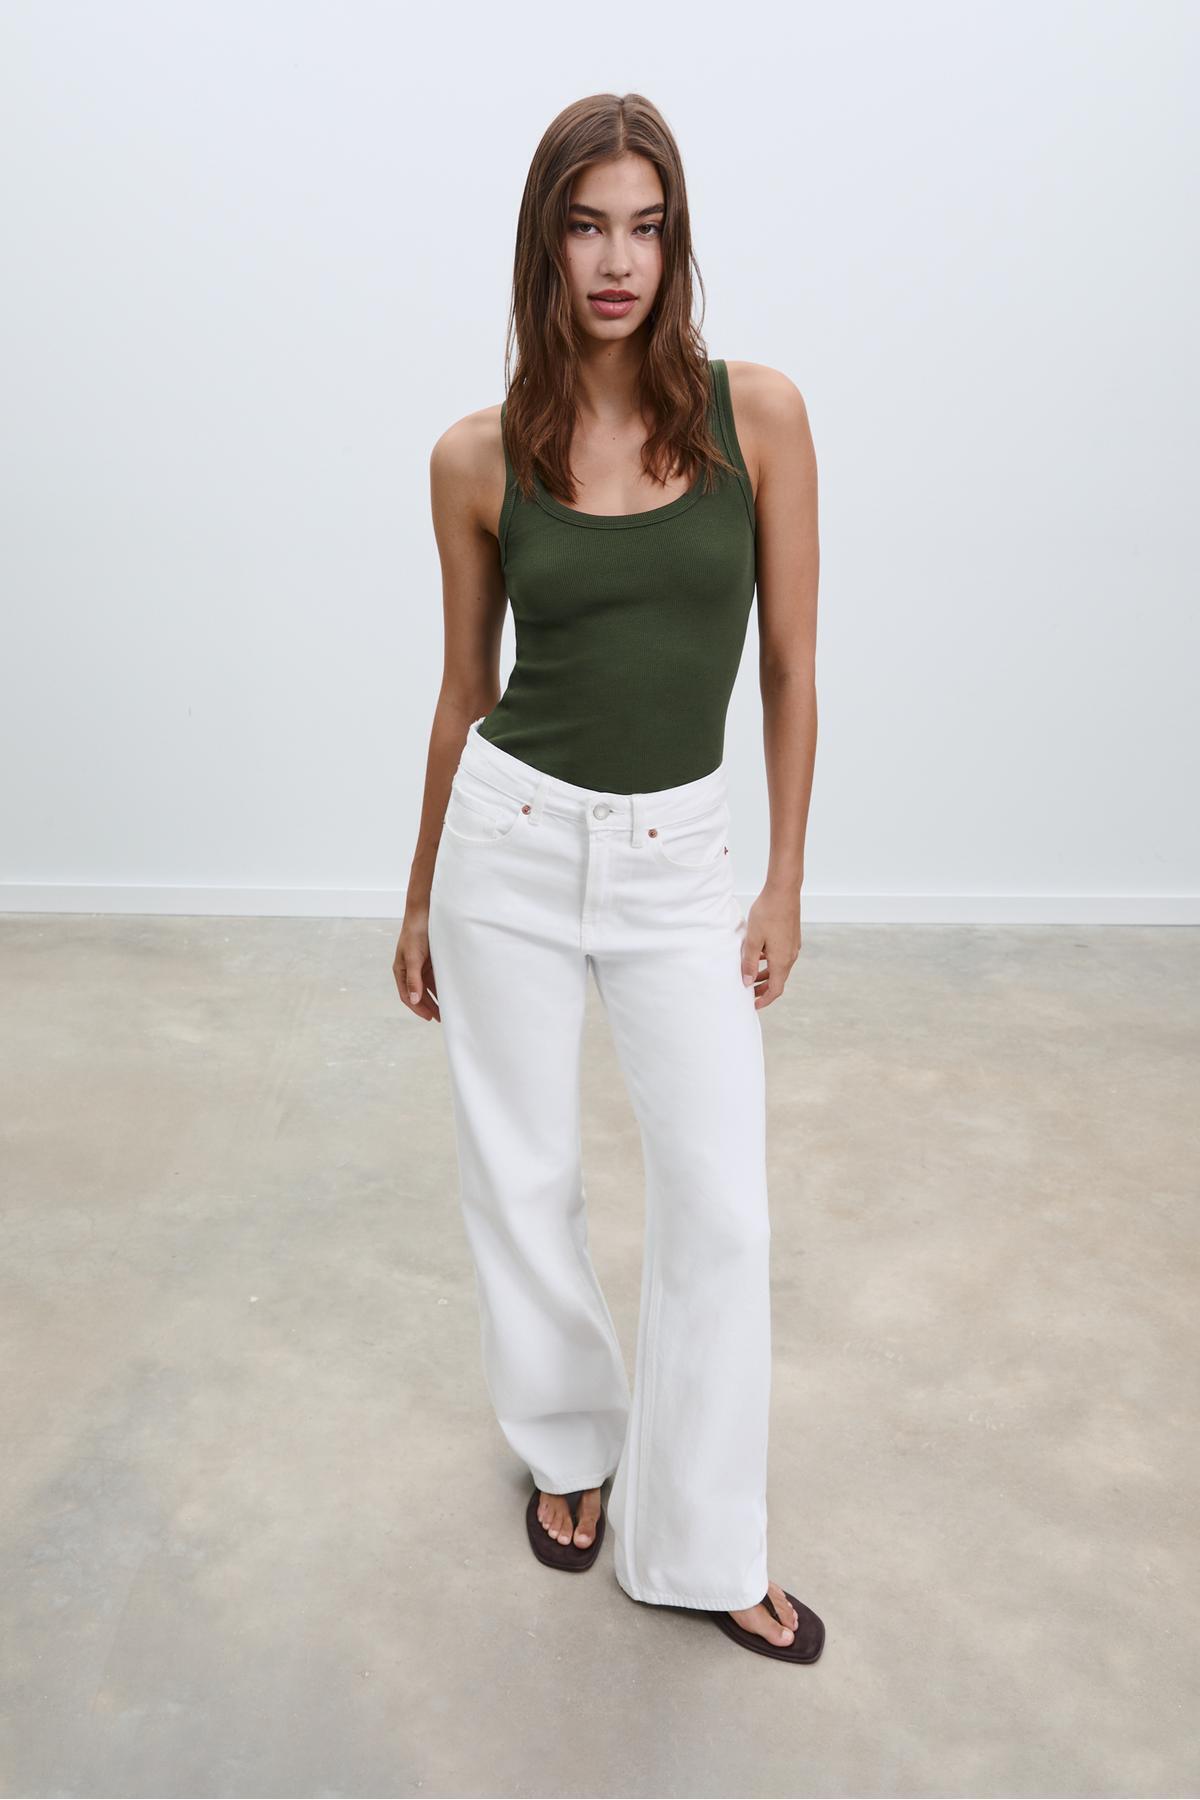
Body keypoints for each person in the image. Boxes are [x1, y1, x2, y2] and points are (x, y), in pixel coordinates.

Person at [393, 93, 822, 1664]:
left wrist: (781, 882)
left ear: (676, 241)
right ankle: (568, 1446)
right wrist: (418, 892)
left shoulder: (756, 416)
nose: (618, 259)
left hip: (678, 861)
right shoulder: (476, 455)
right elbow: (463, 692)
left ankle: (701, 1544)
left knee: (722, 1207)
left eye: (645, 226)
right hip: (506, 843)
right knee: (520, 1175)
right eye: (587, 226)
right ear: (546, 245)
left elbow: (791, 671)